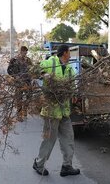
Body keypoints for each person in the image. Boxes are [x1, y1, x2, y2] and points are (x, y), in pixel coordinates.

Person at [32, 44, 80, 177]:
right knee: (49, 139)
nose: (70, 55)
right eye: (69, 52)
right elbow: (34, 69)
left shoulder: (70, 69)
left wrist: (74, 94)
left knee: (68, 138)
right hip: (51, 111)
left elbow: (72, 87)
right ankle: (39, 164)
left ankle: (67, 166)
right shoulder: (50, 62)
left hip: (64, 111)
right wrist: (45, 74)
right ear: (64, 53)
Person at [7, 45, 33, 121]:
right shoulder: (14, 60)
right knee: (19, 98)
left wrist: (33, 75)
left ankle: (25, 109)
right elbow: (9, 70)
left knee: (29, 96)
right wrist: (15, 76)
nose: (25, 53)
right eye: (23, 51)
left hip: (27, 81)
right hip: (18, 82)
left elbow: (32, 69)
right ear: (20, 51)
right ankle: (19, 114)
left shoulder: (28, 60)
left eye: (26, 52)